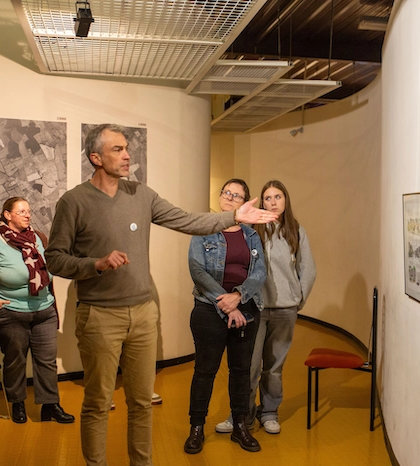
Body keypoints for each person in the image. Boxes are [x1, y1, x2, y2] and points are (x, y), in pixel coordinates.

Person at [44, 124, 277, 466]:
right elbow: (54, 258)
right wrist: (96, 264)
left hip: (142, 313)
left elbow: (186, 220)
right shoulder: (74, 202)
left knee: (141, 402)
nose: (127, 155)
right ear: (96, 158)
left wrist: (233, 216)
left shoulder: (141, 194)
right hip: (99, 315)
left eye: (127, 148)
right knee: (97, 404)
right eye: (117, 150)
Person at [216, 180, 316, 435]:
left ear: (285, 200)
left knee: (273, 368)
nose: (273, 202)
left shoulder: (296, 230)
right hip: (254, 308)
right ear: (261, 202)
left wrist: (298, 299)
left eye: (277, 197)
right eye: (268, 198)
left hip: (285, 310)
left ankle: (269, 412)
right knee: (249, 365)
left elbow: (307, 269)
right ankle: (241, 415)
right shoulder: (251, 230)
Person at [184, 179, 266, 455]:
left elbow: (260, 272)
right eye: (227, 193)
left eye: (237, 195)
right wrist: (227, 304)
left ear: (245, 202)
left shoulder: (251, 236)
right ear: (220, 197)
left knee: (241, 371)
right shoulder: (204, 229)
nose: (230, 197)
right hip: (209, 309)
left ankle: (240, 426)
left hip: (246, 308)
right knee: (204, 371)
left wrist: (239, 295)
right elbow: (197, 271)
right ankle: (196, 427)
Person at [0, 197, 74, 425]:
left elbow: (51, 265)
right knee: (15, 360)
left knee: (47, 361)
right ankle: (18, 403)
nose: (28, 215)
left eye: (29, 211)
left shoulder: (39, 238)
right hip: (11, 313)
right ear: (7, 215)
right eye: (22, 211)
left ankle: (50, 405)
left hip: (44, 310)